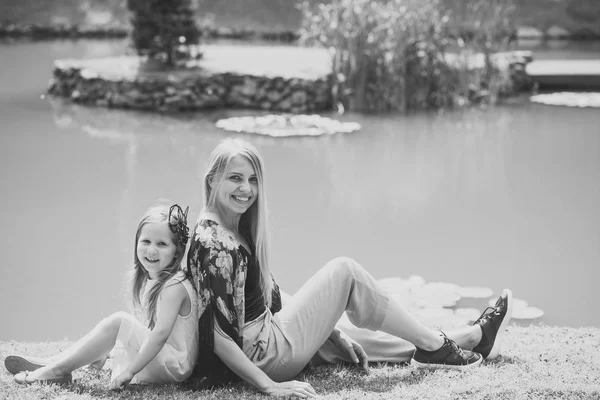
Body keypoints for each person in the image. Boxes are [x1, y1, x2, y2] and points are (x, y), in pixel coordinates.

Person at [187, 138, 513, 398]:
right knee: (345, 271)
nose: (246, 189)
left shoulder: (232, 228)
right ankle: (435, 347)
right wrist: (270, 386)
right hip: (263, 356)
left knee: (353, 341)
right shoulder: (213, 244)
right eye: (235, 178)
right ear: (212, 180)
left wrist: (329, 329)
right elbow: (218, 337)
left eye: (252, 180)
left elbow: (264, 296)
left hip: (267, 341)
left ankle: (470, 338)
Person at [4, 202, 199, 390]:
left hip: (175, 366)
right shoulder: (161, 280)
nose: (151, 250)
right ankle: (52, 363)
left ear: (176, 252)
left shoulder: (174, 286)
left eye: (162, 244)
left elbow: (159, 336)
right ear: (136, 243)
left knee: (119, 321)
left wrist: (129, 372)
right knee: (117, 326)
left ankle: (58, 369)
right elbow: (148, 332)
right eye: (146, 241)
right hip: (169, 359)